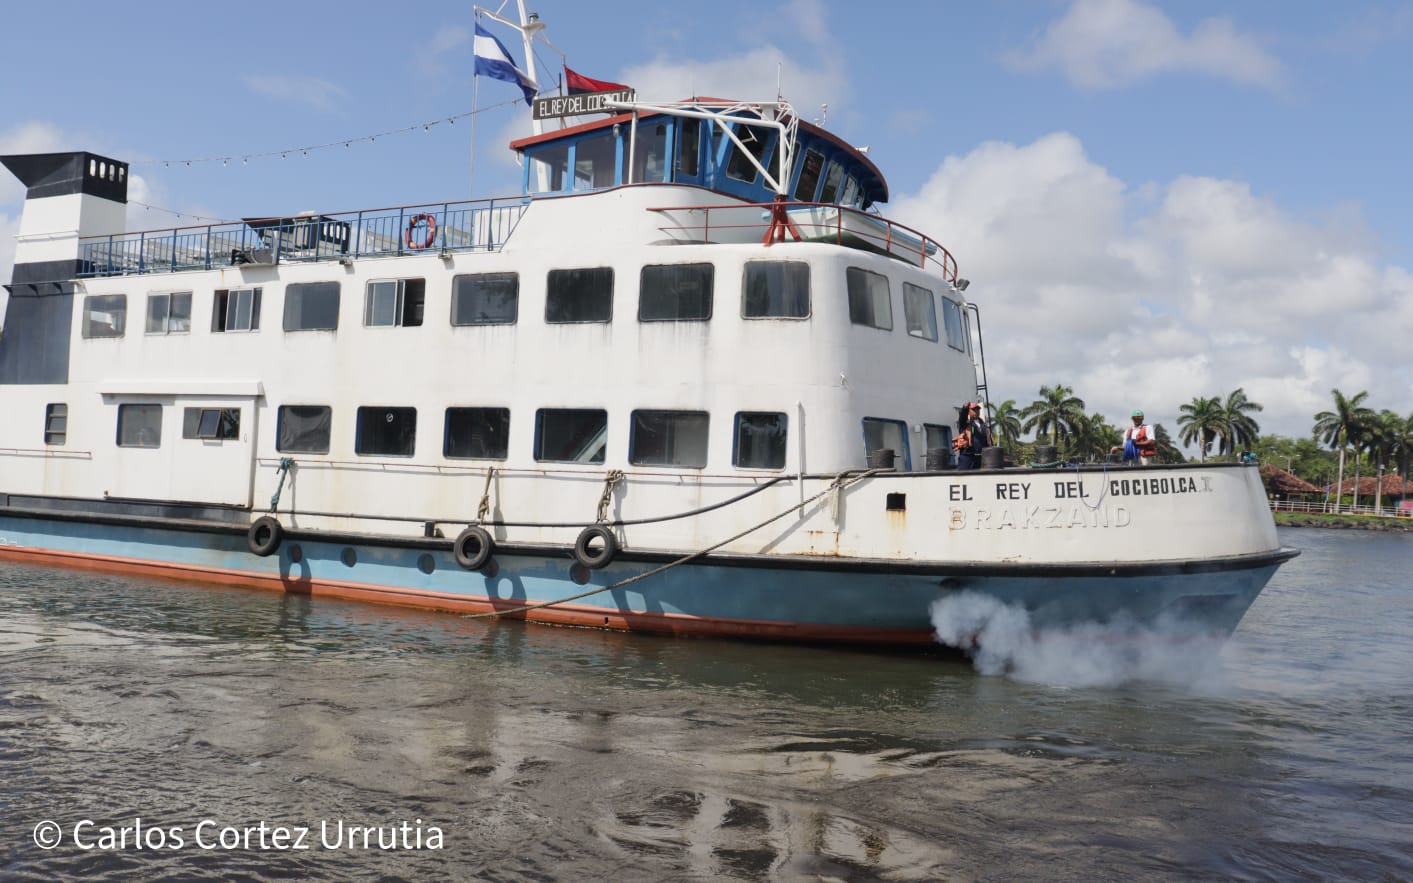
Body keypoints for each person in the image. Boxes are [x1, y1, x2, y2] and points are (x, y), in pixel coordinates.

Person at [953, 402, 993, 470]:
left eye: (978, 409)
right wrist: (965, 408)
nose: (976, 411)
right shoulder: (965, 423)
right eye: (974, 409)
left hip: (981, 457)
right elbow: (962, 416)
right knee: (964, 475)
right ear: (969, 411)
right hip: (968, 456)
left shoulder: (983, 424)